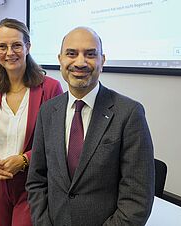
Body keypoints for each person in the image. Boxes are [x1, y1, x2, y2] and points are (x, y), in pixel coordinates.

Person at [26, 27, 155, 226]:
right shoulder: (47, 111)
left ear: (102, 61)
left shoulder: (129, 114)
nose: (80, 62)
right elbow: (36, 179)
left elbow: (137, 200)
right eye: (71, 53)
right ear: (60, 59)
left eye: (90, 54)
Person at [0, 18, 62, 226]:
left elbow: (57, 142)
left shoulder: (50, 89)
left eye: (16, 45)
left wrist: (24, 160)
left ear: (28, 46)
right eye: (2, 46)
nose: (9, 52)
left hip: (33, 183)